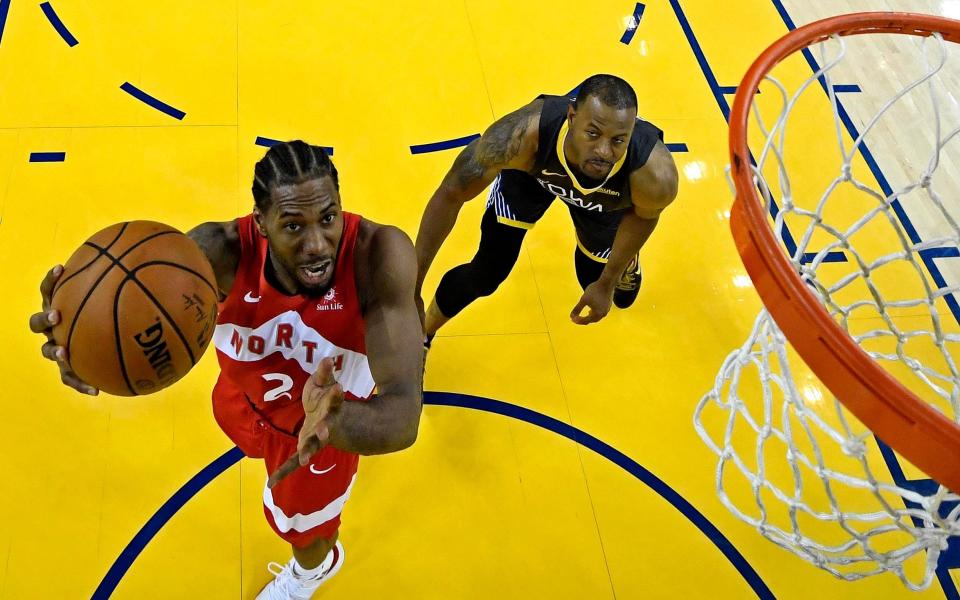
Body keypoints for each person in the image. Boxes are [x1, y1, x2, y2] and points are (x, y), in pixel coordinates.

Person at [29, 141, 424, 600]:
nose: (317, 244)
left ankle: (312, 573)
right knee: (244, 431)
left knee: (304, 530)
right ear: (260, 223)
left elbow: (402, 415)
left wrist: (335, 422)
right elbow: (136, 296)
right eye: (293, 225)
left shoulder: (378, 256)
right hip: (243, 400)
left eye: (329, 218)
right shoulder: (215, 254)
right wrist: (79, 335)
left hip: (322, 427)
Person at [415, 74, 679, 345]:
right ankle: (422, 336)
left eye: (618, 140)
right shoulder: (521, 138)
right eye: (593, 133)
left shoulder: (654, 175)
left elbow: (645, 215)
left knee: (592, 279)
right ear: (572, 118)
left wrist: (608, 281)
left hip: (608, 200)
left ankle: (627, 262)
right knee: (487, 271)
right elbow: (450, 194)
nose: (603, 151)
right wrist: (411, 287)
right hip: (533, 175)